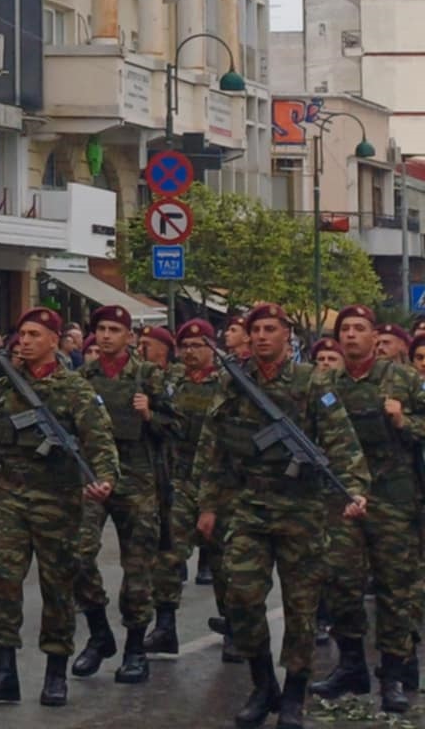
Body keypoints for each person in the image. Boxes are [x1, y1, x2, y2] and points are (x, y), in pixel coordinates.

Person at [195, 302, 370, 729]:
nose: (261, 337)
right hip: (250, 508)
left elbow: (342, 442)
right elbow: (213, 446)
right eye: (255, 330)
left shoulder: (312, 382)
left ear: (287, 335)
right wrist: (208, 503)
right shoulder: (234, 383)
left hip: (302, 510)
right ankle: (262, 686)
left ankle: (294, 695)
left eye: (270, 329)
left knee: (302, 609)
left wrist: (355, 489)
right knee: (241, 597)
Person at [0, 307, 117, 707]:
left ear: (53, 340)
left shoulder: (74, 390)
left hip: (58, 500)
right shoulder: (6, 387)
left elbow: (100, 440)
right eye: (21, 334)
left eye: (33, 334)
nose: (23, 341)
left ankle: (55, 672)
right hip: (11, 497)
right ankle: (4, 671)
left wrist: (104, 479)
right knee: (3, 583)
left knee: (57, 587)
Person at [309, 305, 425, 712]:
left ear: (375, 337)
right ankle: (352, 665)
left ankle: (393, 673)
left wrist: (403, 422)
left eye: (360, 329)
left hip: (393, 499)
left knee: (396, 589)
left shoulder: (405, 379)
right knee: (340, 582)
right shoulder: (324, 384)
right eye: (346, 329)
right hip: (341, 498)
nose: (352, 335)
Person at [68, 305, 175, 684]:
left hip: (137, 480)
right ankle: (99, 633)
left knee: (138, 569)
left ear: (130, 337)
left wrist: (150, 416)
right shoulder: (83, 377)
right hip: (93, 479)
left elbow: (176, 428)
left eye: (115, 329)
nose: (107, 335)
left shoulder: (148, 377)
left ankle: (134, 647)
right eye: (101, 329)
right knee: (78, 556)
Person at [149, 320, 235, 663]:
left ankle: (233, 628)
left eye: (198, 345)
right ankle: (165, 625)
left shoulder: (227, 384)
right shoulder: (171, 383)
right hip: (181, 479)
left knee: (223, 561)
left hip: (220, 482)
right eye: (185, 345)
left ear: (211, 348)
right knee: (169, 554)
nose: (190, 351)